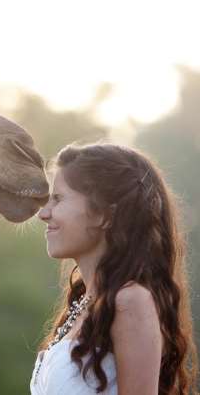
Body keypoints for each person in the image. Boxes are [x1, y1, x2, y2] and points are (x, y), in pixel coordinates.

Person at [30, 143, 198, 395]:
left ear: (104, 216)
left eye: (58, 199)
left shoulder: (131, 301)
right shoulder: (84, 305)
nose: (43, 213)